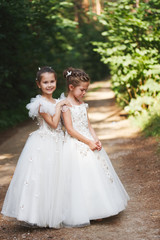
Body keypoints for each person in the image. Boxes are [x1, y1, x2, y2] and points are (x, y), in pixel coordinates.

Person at [1, 66, 69, 228]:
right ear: (39, 84)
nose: (49, 85)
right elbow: (53, 124)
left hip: (60, 141)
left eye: (52, 81)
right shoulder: (40, 104)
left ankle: (58, 212)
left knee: (59, 176)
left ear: (56, 82)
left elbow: (64, 124)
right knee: (43, 177)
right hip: (45, 143)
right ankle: (39, 215)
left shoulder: (58, 101)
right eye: (45, 82)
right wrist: (60, 107)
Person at [61, 67, 130, 227]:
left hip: (89, 140)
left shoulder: (82, 103)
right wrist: (88, 142)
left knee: (97, 173)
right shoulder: (65, 106)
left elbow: (88, 125)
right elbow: (70, 130)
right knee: (83, 175)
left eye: (86, 90)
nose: (84, 93)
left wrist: (96, 139)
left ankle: (101, 207)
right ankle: (87, 210)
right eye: (82, 90)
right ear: (71, 87)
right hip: (77, 143)